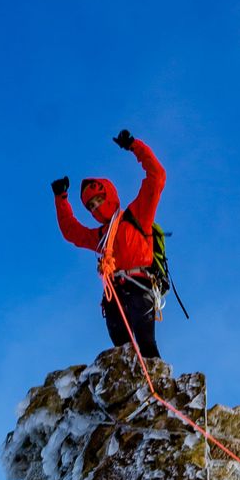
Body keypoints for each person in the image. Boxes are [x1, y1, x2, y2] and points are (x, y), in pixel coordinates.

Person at [51, 129, 166, 359]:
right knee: (122, 351)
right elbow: (72, 232)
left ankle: (155, 386)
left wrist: (135, 146)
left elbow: (157, 176)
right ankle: (131, 387)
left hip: (140, 285)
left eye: (99, 199)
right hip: (114, 293)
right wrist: (61, 200)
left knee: (146, 346)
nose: (95, 207)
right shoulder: (102, 236)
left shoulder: (137, 215)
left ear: (110, 194)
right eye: (91, 205)